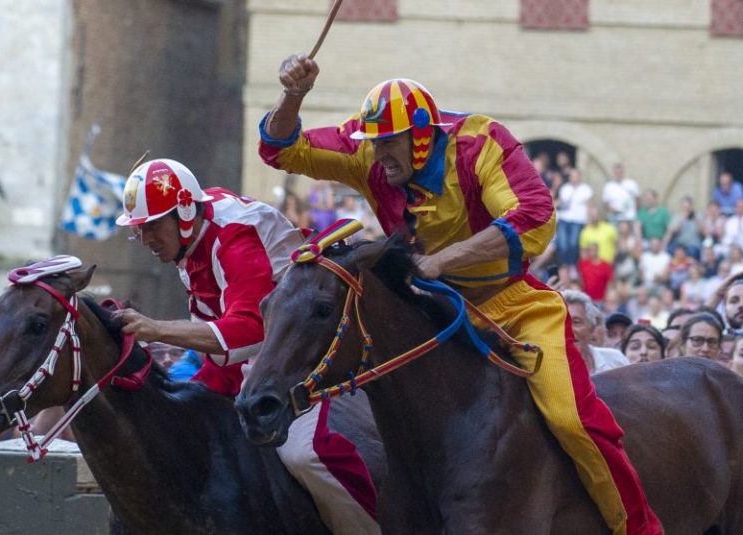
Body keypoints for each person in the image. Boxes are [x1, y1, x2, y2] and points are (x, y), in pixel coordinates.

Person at [258, 54, 662, 535]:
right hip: (427, 310)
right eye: (373, 144)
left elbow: (532, 215)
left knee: (571, 418)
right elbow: (282, 148)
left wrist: (442, 262)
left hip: (511, 304)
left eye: (389, 145)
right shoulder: (367, 147)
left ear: (422, 136)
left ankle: (638, 526)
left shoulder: (480, 143)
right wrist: (293, 94)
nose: (377, 156)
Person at [114, 158, 379, 534]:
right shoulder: (191, 238)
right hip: (253, 365)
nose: (145, 240)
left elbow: (250, 330)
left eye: (151, 226)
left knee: (307, 455)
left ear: (185, 212)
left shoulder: (233, 238)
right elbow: (218, 334)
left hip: (305, 357)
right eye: (138, 230)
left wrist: (156, 329)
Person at [563, 290, 630, 374]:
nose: (569, 330)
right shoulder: (545, 370)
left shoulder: (616, 361)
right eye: (562, 322)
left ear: (591, 328)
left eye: (576, 322)